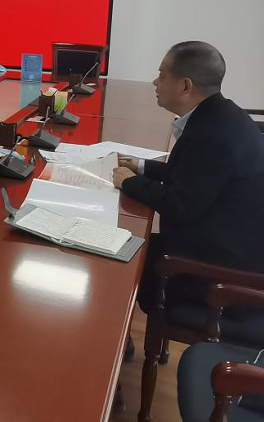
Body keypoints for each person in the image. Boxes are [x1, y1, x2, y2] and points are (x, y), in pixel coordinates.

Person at [113, 41, 264, 312]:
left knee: (122, 253)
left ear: (185, 86)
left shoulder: (211, 135)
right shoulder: (222, 115)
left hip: (223, 271)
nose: (155, 82)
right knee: (130, 243)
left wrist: (129, 181)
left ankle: (112, 326)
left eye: (161, 74)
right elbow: (197, 175)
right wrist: (141, 167)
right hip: (232, 241)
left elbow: (179, 205)